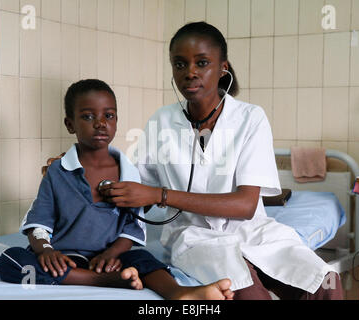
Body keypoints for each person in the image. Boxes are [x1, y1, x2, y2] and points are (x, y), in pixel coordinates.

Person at [99, 22, 344, 300]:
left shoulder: (250, 118)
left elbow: (245, 205)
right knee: (250, 294)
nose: (190, 72)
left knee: (326, 284)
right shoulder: (162, 120)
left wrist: (162, 195)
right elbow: (134, 183)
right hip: (194, 237)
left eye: (201, 63)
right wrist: (84, 168)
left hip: (251, 232)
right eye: (179, 64)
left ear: (222, 68)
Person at [0, 79, 234, 300]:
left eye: (108, 115)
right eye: (88, 117)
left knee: (143, 259)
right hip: (64, 259)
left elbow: (132, 228)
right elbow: (39, 223)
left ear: (116, 121)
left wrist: (112, 254)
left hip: (113, 259)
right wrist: (46, 250)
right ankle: (105, 281)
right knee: (13, 260)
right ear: (70, 124)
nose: (100, 123)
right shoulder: (58, 171)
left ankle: (180, 293)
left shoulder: (128, 173)